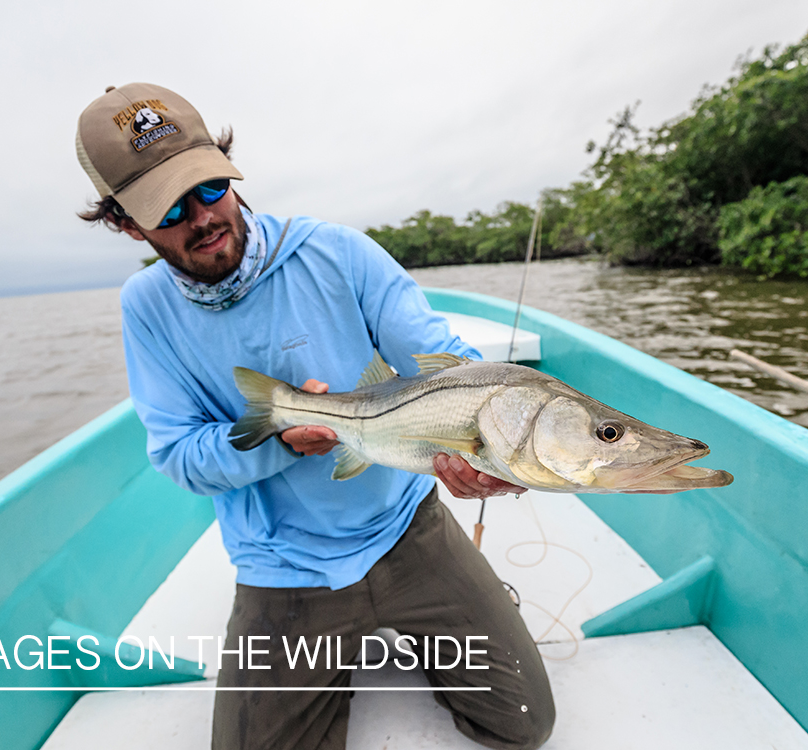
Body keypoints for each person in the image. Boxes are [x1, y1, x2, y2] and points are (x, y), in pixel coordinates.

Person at [75, 82, 554, 750]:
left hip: (405, 527)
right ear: (126, 223)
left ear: (226, 168)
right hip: (284, 567)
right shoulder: (146, 309)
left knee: (525, 725)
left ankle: (430, 616)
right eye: (169, 208)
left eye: (209, 188)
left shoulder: (338, 251)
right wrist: (281, 444)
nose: (203, 217)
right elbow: (180, 456)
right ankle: (340, 651)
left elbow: (444, 359)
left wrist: (484, 447)